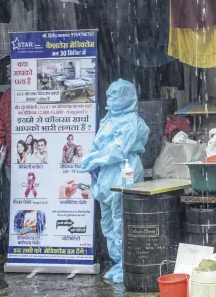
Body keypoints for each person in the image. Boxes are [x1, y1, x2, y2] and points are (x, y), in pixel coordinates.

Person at [81, 79, 149, 283]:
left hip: (123, 172)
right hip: (104, 177)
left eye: (116, 96)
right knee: (108, 222)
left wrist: (94, 159)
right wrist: (94, 161)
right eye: (109, 96)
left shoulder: (133, 122)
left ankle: (128, 264)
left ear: (127, 97)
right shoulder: (108, 119)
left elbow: (118, 150)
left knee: (122, 220)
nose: (111, 100)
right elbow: (99, 143)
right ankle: (118, 262)